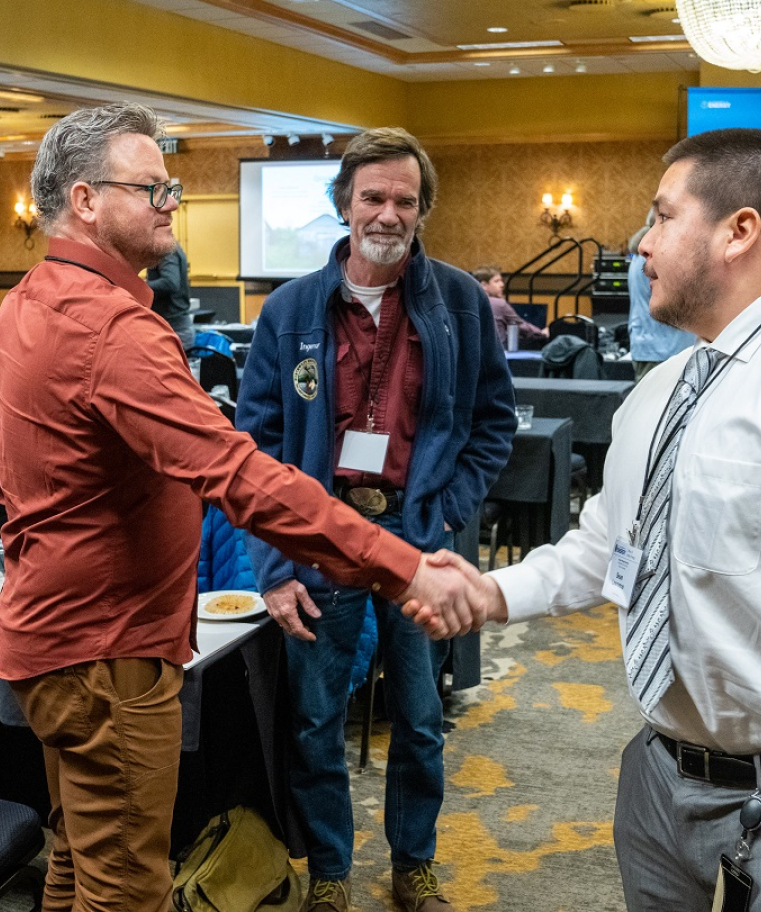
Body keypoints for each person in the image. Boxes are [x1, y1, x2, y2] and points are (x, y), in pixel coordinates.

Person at [409, 127, 761, 911]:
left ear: (739, 231)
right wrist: (490, 593)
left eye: (661, 216)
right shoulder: (662, 389)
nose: (640, 244)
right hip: (660, 780)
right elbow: (608, 547)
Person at [0, 103, 485, 912]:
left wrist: (46, 516)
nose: (172, 204)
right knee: (126, 890)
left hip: (49, 635)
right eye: (153, 188)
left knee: (75, 865)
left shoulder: (31, 295)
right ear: (87, 201)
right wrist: (404, 566)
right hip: (108, 651)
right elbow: (243, 474)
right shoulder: (115, 329)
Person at [237, 127, 516, 912]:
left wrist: (448, 511)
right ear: (344, 207)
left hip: (416, 540)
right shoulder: (290, 309)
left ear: (422, 209)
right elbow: (254, 450)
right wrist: (276, 567)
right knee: (316, 720)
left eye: (404, 199)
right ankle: (330, 871)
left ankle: (413, 864)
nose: (388, 214)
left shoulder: (460, 301)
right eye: (373, 198)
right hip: (319, 542)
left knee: (421, 722)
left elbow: (493, 422)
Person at [626, 212, 693, 381]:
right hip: (663, 349)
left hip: (650, 346)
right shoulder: (657, 258)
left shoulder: (640, 256)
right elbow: (677, 301)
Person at [472, 265, 546, 350]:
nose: (502, 285)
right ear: (484, 285)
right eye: (496, 281)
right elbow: (521, 326)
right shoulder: (499, 304)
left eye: (501, 281)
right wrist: (541, 333)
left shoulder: (469, 302)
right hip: (498, 354)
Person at [146, 242, 195, 348]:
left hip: (174, 327)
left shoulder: (166, 250)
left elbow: (170, 282)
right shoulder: (172, 248)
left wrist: (141, 285)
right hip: (176, 326)